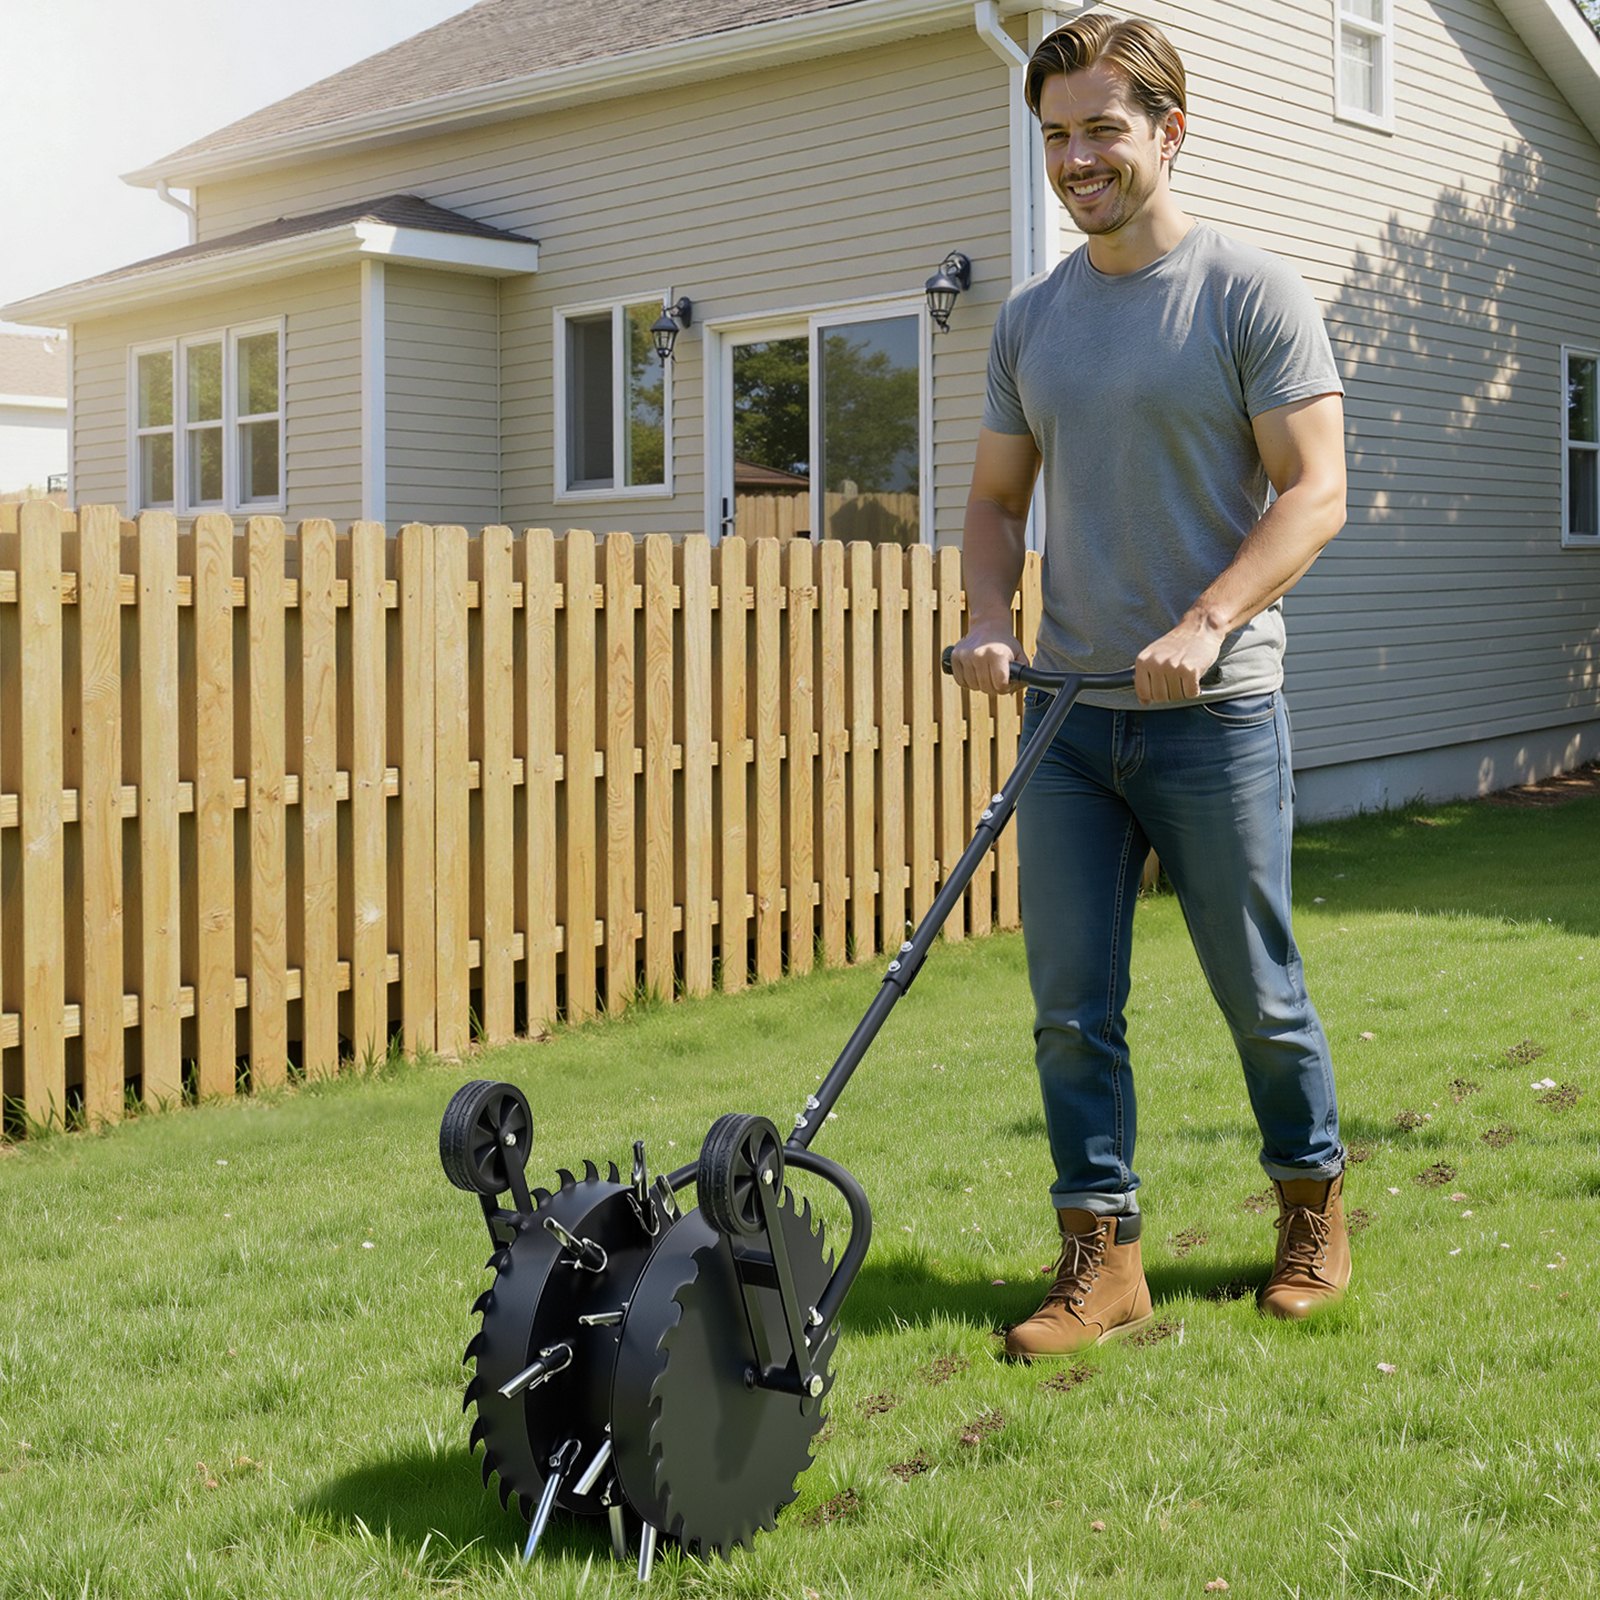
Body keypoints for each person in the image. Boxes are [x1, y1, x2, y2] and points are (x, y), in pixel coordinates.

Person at [949, 12, 1350, 1358]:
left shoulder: (1247, 294)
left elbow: (1317, 491)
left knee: (1259, 987)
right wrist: (987, 619)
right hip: (1068, 720)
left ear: (1168, 131)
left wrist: (1209, 620)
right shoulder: (1033, 322)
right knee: (1070, 1009)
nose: (1078, 158)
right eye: (1057, 134)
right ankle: (1102, 1261)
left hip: (1215, 715)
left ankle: (1310, 1210)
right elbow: (998, 504)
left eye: (1103, 129)